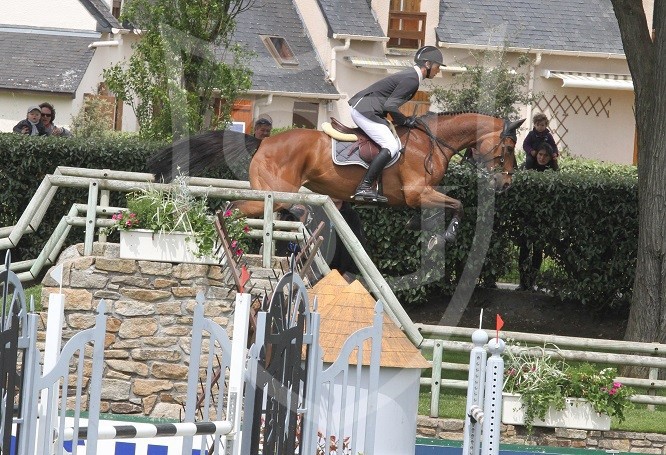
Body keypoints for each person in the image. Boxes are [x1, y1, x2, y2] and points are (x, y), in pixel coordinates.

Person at [348, 45, 445, 203]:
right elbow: (390, 106)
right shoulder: (412, 79)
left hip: (368, 109)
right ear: (427, 64)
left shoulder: (411, 77)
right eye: (437, 66)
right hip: (365, 110)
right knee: (391, 145)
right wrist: (405, 121)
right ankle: (364, 187)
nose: (438, 70)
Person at [517, 142, 559, 291]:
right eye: (540, 154)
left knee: (537, 250)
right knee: (524, 250)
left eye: (545, 155)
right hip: (526, 216)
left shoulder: (552, 171)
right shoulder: (527, 167)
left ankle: (532, 282)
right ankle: (522, 282)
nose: (542, 158)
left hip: (542, 219)